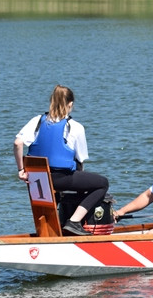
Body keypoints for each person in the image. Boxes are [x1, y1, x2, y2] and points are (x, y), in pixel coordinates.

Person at [14, 85, 109, 236]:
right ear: (70, 104)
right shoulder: (75, 127)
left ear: (51, 101)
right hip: (61, 179)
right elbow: (80, 159)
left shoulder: (37, 121)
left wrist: (21, 170)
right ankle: (74, 222)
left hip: (37, 179)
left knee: (62, 187)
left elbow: (17, 143)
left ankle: (47, 229)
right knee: (102, 184)